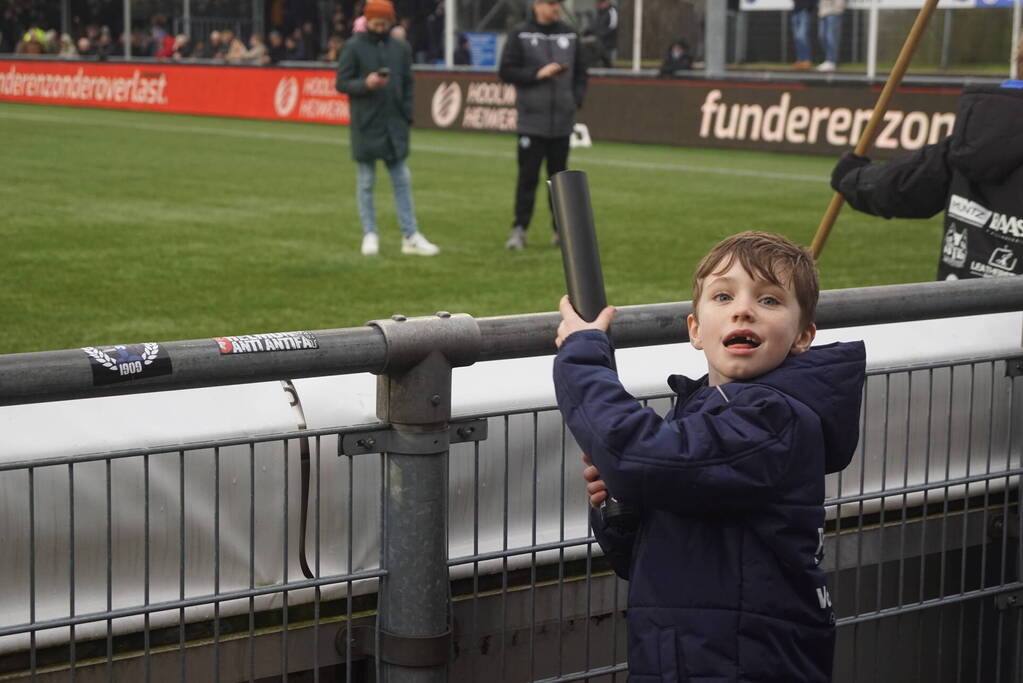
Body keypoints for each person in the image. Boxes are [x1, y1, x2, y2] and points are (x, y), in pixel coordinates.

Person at [553, 231, 865, 683]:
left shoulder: (773, 418)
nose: (743, 309)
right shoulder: (704, 411)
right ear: (696, 330)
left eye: (770, 301)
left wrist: (583, 354)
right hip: (690, 654)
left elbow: (633, 453)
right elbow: (649, 557)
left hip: (739, 663)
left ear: (803, 336)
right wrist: (626, 511)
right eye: (723, 295)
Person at [830, 81, 1023, 280]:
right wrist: (853, 178)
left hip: (962, 304)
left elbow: (900, 185)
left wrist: (851, 177)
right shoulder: (973, 136)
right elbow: (903, 186)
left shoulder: (977, 131)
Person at [335, 0, 440, 256]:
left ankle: (410, 235)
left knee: (402, 180)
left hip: (395, 125)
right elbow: (342, 83)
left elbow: (408, 83)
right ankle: (370, 233)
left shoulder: (401, 48)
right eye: (376, 22)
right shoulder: (352, 47)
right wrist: (366, 84)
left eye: (384, 22)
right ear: (367, 20)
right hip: (366, 124)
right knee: (367, 182)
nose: (380, 26)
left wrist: (406, 114)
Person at [498, 0, 587, 250]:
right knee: (527, 178)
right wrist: (537, 74)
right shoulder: (521, 33)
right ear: (537, 5)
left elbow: (581, 71)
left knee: (560, 180)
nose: (555, 7)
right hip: (531, 121)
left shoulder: (570, 33)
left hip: (562, 120)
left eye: (558, 3)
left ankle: (562, 233)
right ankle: (519, 230)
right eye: (550, 3)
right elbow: (506, 71)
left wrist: (575, 100)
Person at [816, 0, 844, 72]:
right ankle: (828, 60)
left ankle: (831, 61)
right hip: (822, 12)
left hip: (833, 11)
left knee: (831, 37)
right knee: (822, 36)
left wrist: (837, 7)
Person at [791, 0, 816, 70]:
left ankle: (807, 60)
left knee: (802, 36)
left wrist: (808, 8)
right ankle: (800, 60)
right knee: (797, 38)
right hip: (796, 11)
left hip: (805, 11)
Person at [594, 0, 618, 67]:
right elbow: (595, 25)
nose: (599, 5)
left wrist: (601, 34)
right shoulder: (599, 13)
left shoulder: (612, 11)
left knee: (609, 63)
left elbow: (613, 26)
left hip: (609, 45)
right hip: (599, 44)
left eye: (601, 3)